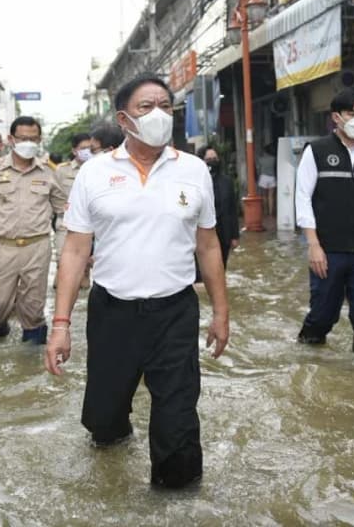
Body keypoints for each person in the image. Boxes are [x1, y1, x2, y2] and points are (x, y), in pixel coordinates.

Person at [45, 74, 230, 489]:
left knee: (178, 416)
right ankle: (111, 449)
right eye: (147, 107)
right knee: (105, 421)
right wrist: (60, 325)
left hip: (175, 313)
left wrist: (221, 312)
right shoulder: (94, 174)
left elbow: (209, 246)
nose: (159, 114)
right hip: (113, 312)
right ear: (124, 118)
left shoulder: (195, 171)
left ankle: (177, 499)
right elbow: (74, 252)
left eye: (165, 105)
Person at [294, 87, 354, 353]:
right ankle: (308, 355)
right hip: (328, 250)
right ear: (336, 117)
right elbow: (303, 199)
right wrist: (313, 245)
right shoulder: (317, 151)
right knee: (324, 314)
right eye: (351, 113)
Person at [0, 116, 67, 343]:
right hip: (2, 248)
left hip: (37, 247)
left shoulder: (50, 171)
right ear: (11, 139)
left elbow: (65, 211)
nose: (28, 143)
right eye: (23, 138)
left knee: (33, 310)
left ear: (40, 140)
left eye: (33, 139)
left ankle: (32, 362)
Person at [54, 133, 95, 286]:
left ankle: (82, 295)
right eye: (83, 148)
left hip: (92, 224)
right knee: (62, 260)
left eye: (90, 148)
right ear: (74, 151)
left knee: (85, 265)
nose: (87, 151)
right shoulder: (61, 171)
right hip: (66, 223)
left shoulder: (98, 169)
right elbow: (54, 195)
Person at [200, 145, 239, 267]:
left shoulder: (226, 182)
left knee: (222, 266)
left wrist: (235, 236)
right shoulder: (197, 182)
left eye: (215, 158)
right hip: (205, 233)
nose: (213, 161)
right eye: (209, 159)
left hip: (224, 232)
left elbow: (233, 209)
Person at [256, 142, 277, 217]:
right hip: (272, 177)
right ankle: (271, 213)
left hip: (263, 177)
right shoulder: (273, 159)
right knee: (271, 196)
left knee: (264, 196)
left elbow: (258, 169)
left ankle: (265, 211)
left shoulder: (260, 159)